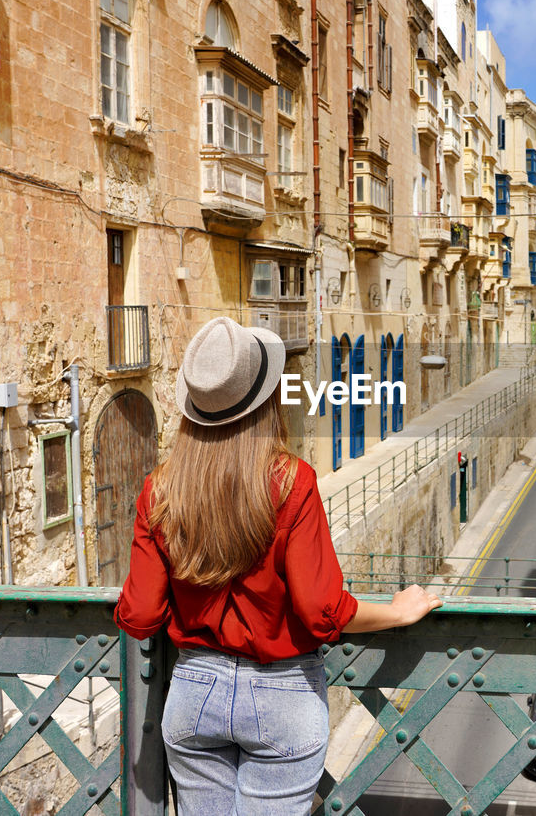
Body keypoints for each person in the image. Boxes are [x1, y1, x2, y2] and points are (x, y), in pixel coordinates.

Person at [114, 317, 442, 814]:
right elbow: (322, 611)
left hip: (193, 693)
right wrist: (397, 613)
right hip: (283, 692)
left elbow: (138, 615)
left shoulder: (160, 490)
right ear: (267, 399)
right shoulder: (292, 482)